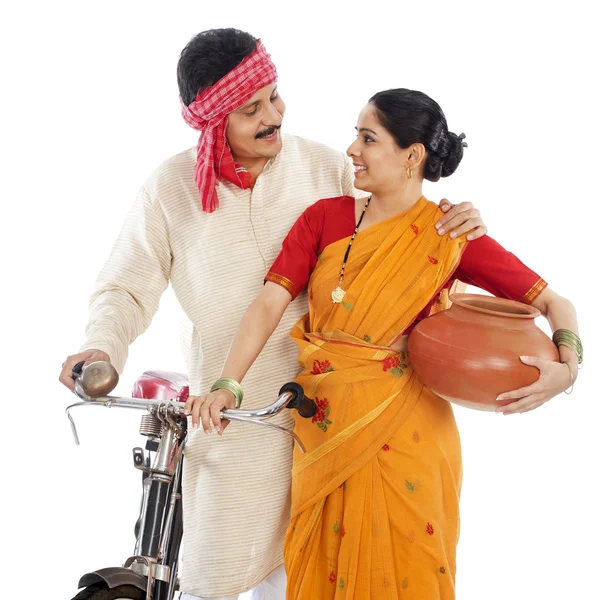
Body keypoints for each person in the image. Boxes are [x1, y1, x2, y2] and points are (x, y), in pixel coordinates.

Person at [58, 30, 488, 600]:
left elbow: (403, 240)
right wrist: (101, 347)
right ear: (213, 123)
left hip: (341, 419)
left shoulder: (327, 168)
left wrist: (454, 220)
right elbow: (126, 288)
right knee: (213, 580)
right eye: (251, 109)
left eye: (276, 97)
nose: (274, 116)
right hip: (236, 424)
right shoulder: (170, 190)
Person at [191, 88, 582, 599]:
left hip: (410, 436)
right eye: (356, 135)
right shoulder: (324, 219)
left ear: (412, 155)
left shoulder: (449, 234)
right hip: (324, 429)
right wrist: (228, 384)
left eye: (368, 138)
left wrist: (567, 369)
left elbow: (556, 303)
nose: (352, 149)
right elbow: (268, 304)